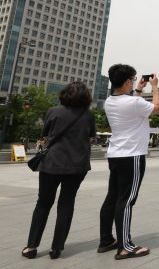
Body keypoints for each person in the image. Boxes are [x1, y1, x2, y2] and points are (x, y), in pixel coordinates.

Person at [22, 82, 96, 259]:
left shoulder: (53, 111)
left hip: (51, 163)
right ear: (85, 97)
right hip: (77, 165)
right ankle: (56, 248)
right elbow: (91, 137)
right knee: (66, 203)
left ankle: (31, 247)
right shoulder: (89, 116)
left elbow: (45, 136)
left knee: (43, 203)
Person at [98, 64, 159, 260]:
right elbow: (156, 108)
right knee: (126, 201)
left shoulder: (109, 101)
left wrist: (140, 89)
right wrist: (155, 87)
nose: (134, 82)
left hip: (116, 155)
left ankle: (106, 240)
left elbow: (135, 107)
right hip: (132, 156)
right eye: (132, 80)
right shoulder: (133, 103)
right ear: (126, 82)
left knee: (112, 197)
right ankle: (125, 246)